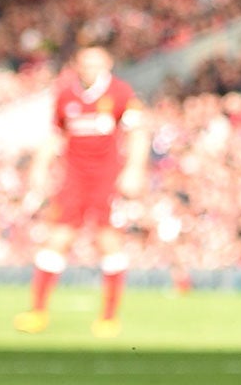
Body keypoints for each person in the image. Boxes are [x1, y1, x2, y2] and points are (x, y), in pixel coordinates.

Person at [14, 45, 148, 337]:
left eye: (96, 62)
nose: (90, 68)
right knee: (56, 239)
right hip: (73, 180)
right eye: (85, 63)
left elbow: (139, 131)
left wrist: (135, 168)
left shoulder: (121, 93)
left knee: (108, 242)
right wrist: (39, 166)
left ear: (109, 63)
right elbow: (56, 135)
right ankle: (38, 312)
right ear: (77, 65)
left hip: (106, 181)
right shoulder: (65, 95)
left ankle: (109, 317)